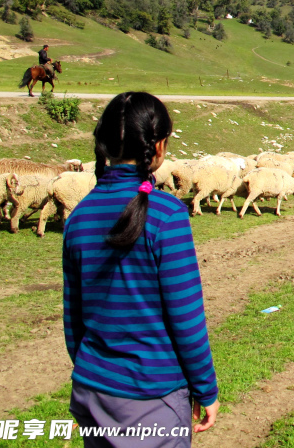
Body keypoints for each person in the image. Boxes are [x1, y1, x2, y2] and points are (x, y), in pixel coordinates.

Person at [63, 92, 219, 447]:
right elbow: (186, 319)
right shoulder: (167, 216)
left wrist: (95, 368)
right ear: (159, 146)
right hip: (151, 397)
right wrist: (206, 390)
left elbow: (73, 319)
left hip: (92, 391)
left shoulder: (79, 216)